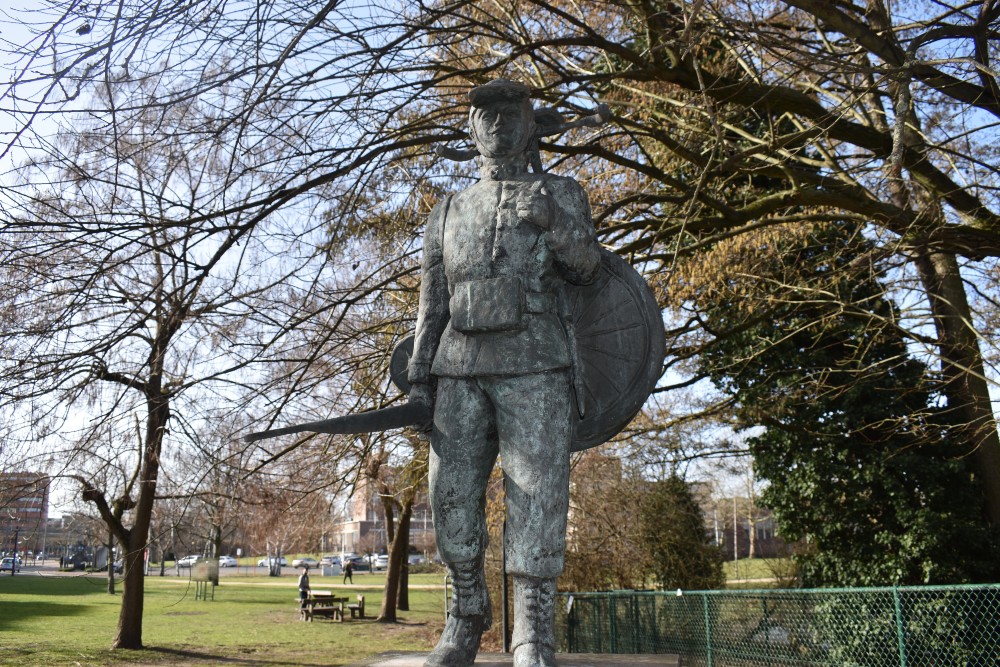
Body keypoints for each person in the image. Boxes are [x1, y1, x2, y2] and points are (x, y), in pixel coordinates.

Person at [407, 79, 602, 667]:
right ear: (472, 130)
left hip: (536, 363)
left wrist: (552, 223)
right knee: (451, 499)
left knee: (537, 500)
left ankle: (531, 632)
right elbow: (432, 303)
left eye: (508, 113)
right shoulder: (447, 210)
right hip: (459, 369)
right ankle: (466, 614)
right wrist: (420, 377)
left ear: (529, 122)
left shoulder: (562, 191)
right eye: (484, 116)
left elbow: (589, 268)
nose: (496, 125)